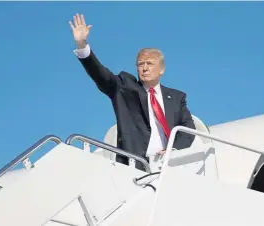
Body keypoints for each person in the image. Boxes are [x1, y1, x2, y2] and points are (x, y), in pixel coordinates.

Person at [69, 13, 196, 171]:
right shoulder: (125, 88)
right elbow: (102, 76)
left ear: (161, 69)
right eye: (140, 64)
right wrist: (83, 47)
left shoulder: (177, 97)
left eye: (149, 63)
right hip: (134, 167)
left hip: (168, 166)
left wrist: (173, 150)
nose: (144, 68)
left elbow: (188, 129)